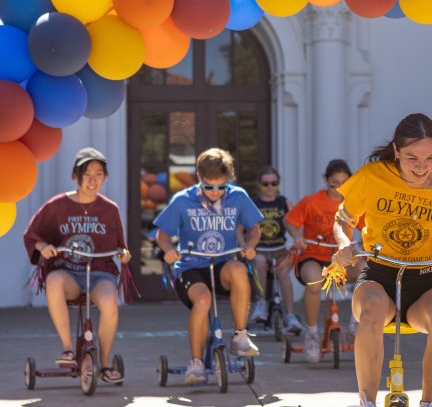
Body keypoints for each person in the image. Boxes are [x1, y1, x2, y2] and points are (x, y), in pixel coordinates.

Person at [332, 113, 432, 407]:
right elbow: (343, 218)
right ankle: (367, 406)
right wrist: (344, 245)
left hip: (424, 280)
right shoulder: (373, 176)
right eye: (412, 158)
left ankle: (428, 406)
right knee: (373, 309)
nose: (422, 167)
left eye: (431, 157)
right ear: (396, 150)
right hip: (379, 275)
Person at [154, 148, 263, 384]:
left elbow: (254, 229)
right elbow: (162, 235)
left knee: (239, 269)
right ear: (199, 178)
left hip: (222, 262)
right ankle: (196, 363)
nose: (215, 193)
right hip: (191, 267)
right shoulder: (183, 200)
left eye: (221, 187)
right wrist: (168, 250)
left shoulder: (239, 196)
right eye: (209, 187)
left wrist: (251, 245)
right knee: (202, 300)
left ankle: (240, 337)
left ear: (228, 181)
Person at [23, 147, 131, 384]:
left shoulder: (109, 208)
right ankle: (68, 349)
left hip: (100, 273)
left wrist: (124, 254)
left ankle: (104, 363)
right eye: (87, 174)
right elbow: (32, 235)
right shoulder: (57, 205)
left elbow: (120, 246)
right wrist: (43, 247)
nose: (93, 180)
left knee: (110, 303)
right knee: (53, 280)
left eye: (99, 173)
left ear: (105, 177)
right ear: (75, 176)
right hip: (69, 272)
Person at [284, 159, 362, 363]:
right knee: (314, 282)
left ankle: (356, 322)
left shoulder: (353, 203)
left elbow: (369, 226)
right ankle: (312, 333)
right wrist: (297, 236)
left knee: (367, 271)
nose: (338, 189)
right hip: (313, 256)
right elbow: (290, 220)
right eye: (334, 183)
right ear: (326, 180)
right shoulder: (311, 201)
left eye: (344, 184)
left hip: (341, 258)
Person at [246, 166, 303, 334]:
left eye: (274, 183)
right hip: (260, 249)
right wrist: (245, 245)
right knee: (260, 262)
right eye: (265, 184)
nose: (270, 187)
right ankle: (261, 302)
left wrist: (297, 241)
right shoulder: (253, 204)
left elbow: (297, 223)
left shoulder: (284, 202)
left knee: (284, 272)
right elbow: (240, 227)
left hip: (279, 248)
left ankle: (291, 315)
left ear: (278, 184)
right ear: (259, 185)